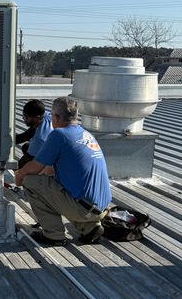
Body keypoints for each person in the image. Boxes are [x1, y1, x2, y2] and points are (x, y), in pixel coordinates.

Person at [14, 96, 111, 245]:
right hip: (101, 208)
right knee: (56, 184)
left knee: (30, 181)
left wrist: (19, 174)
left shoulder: (59, 135)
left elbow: (34, 166)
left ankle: (54, 235)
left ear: (56, 117)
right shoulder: (84, 133)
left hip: (83, 209)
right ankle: (89, 227)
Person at [15, 99, 53, 169]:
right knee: (26, 147)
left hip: (52, 166)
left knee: (23, 165)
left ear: (37, 118)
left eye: (26, 117)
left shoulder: (39, 139)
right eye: (23, 115)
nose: (23, 118)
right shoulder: (46, 115)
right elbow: (26, 135)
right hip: (52, 151)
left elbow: (22, 163)